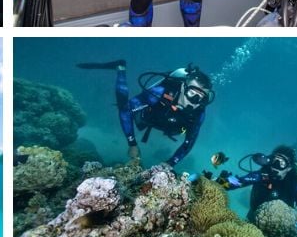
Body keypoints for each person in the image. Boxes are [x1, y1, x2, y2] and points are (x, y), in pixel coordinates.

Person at [77, 60, 213, 168]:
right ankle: (120, 69)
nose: (194, 102)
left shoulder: (198, 113)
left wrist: (170, 163)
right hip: (150, 116)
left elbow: (189, 142)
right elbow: (126, 110)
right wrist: (132, 144)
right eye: (192, 94)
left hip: (166, 124)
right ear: (183, 87)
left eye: (201, 98)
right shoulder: (159, 93)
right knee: (122, 104)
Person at [221, 145, 297, 222]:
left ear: (289, 168)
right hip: (254, 218)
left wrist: (293, 219)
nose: (276, 165)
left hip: (280, 225)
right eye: (274, 160)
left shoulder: (295, 185)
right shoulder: (261, 175)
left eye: (281, 163)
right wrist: (223, 182)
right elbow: (239, 182)